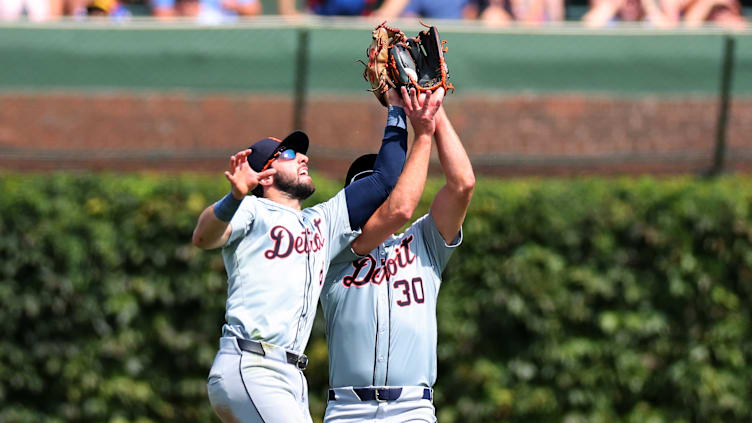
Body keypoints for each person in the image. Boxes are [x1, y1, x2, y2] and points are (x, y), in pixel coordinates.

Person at [191, 87, 438, 423]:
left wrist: (396, 109)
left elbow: (384, 179)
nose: (304, 157)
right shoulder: (253, 211)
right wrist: (233, 197)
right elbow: (204, 237)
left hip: (291, 376)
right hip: (252, 364)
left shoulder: (323, 221)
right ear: (264, 174)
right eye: (289, 154)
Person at [320, 88, 474, 422]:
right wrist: (423, 133)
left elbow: (462, 185)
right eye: (370, 193)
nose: (379, 201)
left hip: (412, 409)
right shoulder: (333, 252)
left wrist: (433, 108)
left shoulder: (423, 241)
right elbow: (399, 209)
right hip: (348, 409)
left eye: (384, 190)